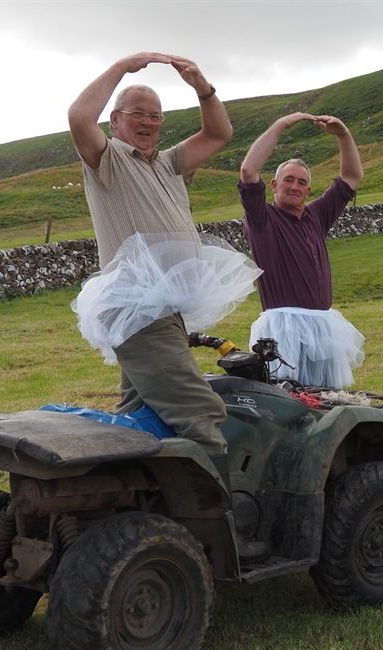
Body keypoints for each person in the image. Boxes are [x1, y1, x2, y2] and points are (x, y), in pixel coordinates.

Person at [68, 52, 261, 464]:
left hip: (166, 308)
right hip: (137, 306)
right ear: (115, 120)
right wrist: (123, 66)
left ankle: (128, 507)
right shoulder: (108, 160)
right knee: (201, 413)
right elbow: (79, 116)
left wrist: (203, 88)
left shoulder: (169, 163)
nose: (148, 123)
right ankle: (218, 519)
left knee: (140, 413)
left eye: (155, 116)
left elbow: (218, 133)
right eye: (138, 114)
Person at [238, 113, 365, 389]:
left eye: (302, 182)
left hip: (322, 326)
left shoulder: (317, 215)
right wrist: (281, 124)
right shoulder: (263, 219)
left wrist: (343, 133)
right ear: (274, 185)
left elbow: (352, 176)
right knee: (288, 399)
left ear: (308, 190)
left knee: (327, 399)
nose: (295, 186)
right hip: (283, 327)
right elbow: (249, 172)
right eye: (288, 180)